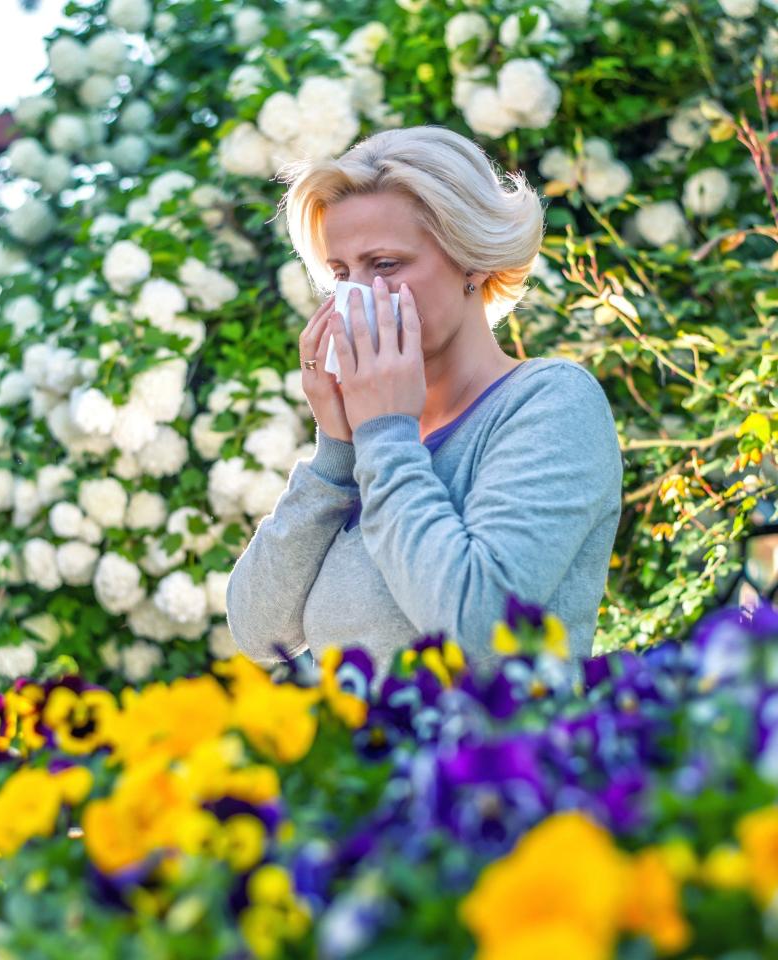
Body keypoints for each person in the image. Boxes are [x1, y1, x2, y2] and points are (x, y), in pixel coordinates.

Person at [225, 125, 623, 683]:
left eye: (384, 264)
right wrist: (337, 454)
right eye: (341, 273)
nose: (356, 297)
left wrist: (386, 433)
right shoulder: (368, 445)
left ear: (473, 260)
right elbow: (257, 629)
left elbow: (480, 630)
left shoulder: (550, 403)